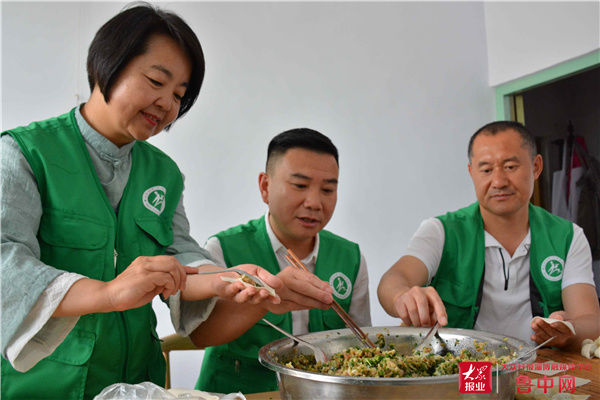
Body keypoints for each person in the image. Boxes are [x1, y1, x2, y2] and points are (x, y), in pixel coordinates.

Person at [0, 4, 287, 399]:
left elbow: (180, 254)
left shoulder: (163, 174)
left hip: (138, 384)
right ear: (107, 64)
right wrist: (107, 294)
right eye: (156, 81)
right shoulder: (25, 153)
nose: (167, 105)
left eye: (179, 96)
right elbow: (5, 266)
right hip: (45, 387)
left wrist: (234, 279)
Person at [378, 121, 600, 350]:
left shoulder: (568, 236)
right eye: (486, 170)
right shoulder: (441, 231)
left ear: (536, 166)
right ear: (471, 172)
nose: (499, 181)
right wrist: (402, 296)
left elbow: (590, 321)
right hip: (463, 376)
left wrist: (569, 330)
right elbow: (392, 280)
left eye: (511, 167)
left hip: (539, 372)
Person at [190, 128, 371, 394]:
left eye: (328, 189)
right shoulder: (224, 249)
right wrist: (266, 299)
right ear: (265, 187)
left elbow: (359, 345)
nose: (314, 202)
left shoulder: (350, 257)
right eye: (299, 185)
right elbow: (200, 335)